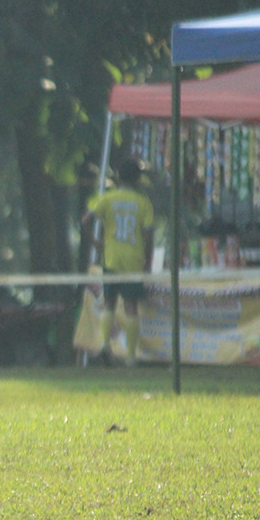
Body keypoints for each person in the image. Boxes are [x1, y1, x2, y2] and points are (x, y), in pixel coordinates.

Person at [82, 157, 155, 367]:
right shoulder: (143, 203)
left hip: (111, 257)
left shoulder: (108, 198)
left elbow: (85, 221)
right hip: (133, 259)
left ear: (117, 177)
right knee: (131, 306)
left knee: (109, 303)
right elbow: (148, 234)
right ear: (138, 179)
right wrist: (148, 260)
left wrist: (96, 243)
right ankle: (131, 356)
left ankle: (105, 344)